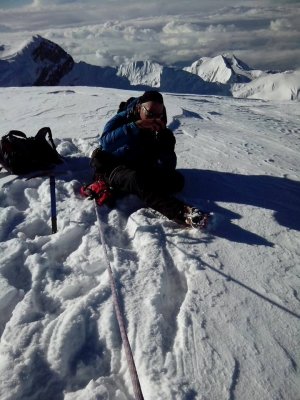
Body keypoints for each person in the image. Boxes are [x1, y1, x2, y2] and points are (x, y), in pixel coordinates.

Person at [88, 90, 209, 228]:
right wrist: (136, 126)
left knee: (177, 181)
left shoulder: (159, 128)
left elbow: (168, 167)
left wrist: (166, 147)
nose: (154, 118)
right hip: (114, 167)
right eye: (150, 114)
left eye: (159, 114)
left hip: (140, 166)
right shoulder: (122, 119)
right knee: (136, 179)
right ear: (139, 108)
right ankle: (181, 212)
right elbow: (105, 143)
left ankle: (145, 188)